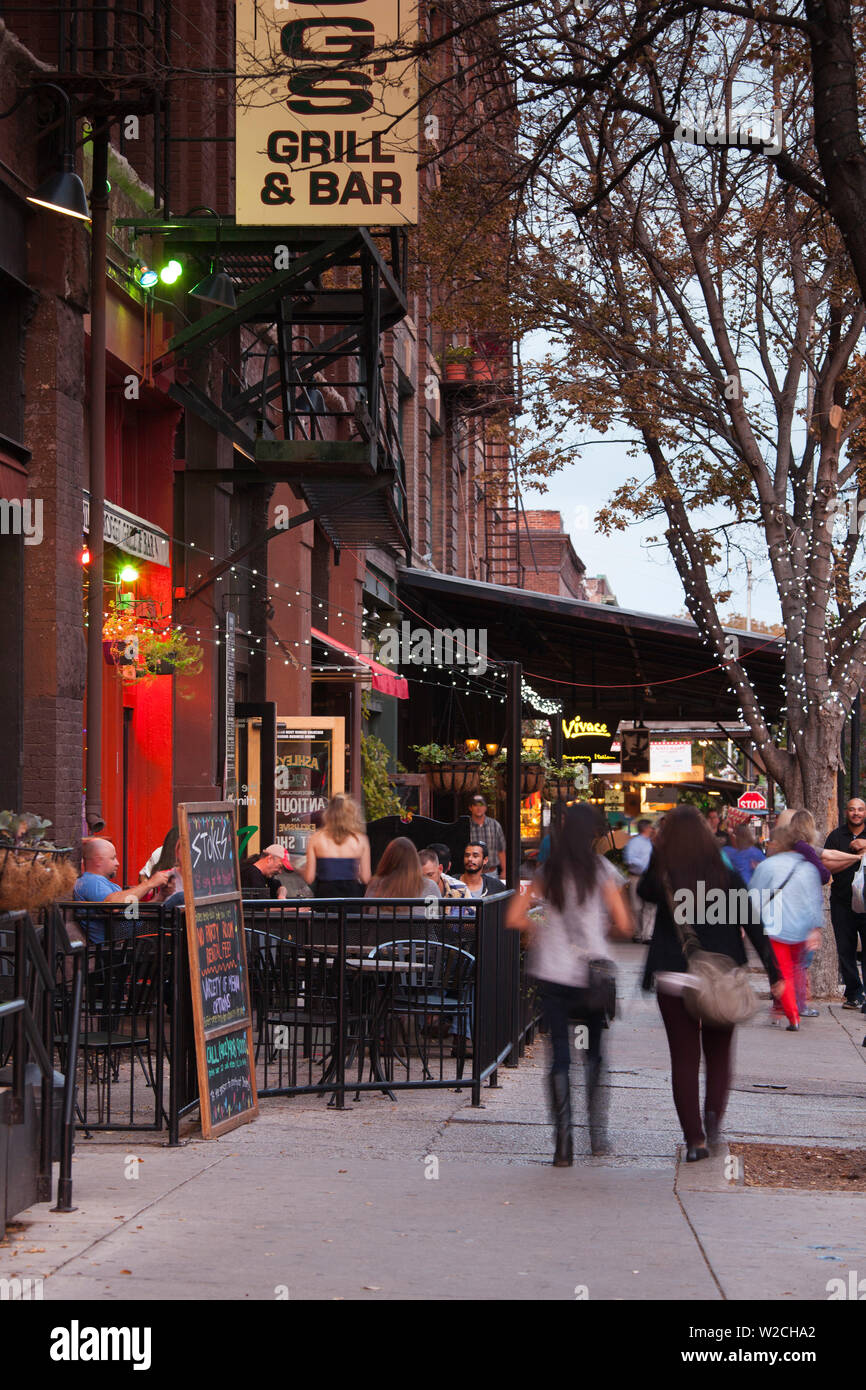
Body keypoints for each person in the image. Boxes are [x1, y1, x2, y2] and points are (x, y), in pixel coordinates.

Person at [638, 805, 782, 1161]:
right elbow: (752, 921)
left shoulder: (664, 873)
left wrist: (660, 851)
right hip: (721, 976)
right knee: (719, 1056)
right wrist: (776, 974)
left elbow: (643, 891)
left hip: (674, 975)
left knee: (684, 1060)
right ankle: (713, 1123)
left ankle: (695, 1141)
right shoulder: (725, 872)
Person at [506, 803, 632, 1163]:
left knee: (559, 1053)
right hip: (591, 977)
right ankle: (598, 1136)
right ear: (592, 834)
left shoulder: (548, 871)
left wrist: (543, 930)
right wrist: (598, 929)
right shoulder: (603, 871)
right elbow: (625, 924)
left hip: (552, 973)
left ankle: (563, 1143)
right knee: (594, 1055)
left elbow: (515, 917)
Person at [748, 823, 823, 1030]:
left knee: (784, 973)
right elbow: (814, 899)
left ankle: (793, 1016)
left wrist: (746, 924)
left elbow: (753, 897)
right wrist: (815, 928)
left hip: (775, 928)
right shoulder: (807, 867)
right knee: (797, 970)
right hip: (801, 928)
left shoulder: (767, 866)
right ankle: (791, 1007)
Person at [73, 838, 173, 944]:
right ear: (98, 861)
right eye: (113, 858)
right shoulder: (91, 882)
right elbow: (113, 906)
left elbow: (134, 913)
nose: (118, 863)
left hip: (134, 939)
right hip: (120, 948)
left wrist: (161, 895)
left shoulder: (108, 885)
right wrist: (149, 884)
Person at [823, 798, 866, 1008]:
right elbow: (828, 866)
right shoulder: (836, 836)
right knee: (845, 949)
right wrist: (854, 857)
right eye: (852, 809)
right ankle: (854, 994)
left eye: (860, 809)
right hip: (842, 901)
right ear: (846, 812)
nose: (856, 813)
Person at [302, 793, 371, 899]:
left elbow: (309, 878)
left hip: (325, 896)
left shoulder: (316, 838)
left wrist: (297, 868)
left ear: (328, 813)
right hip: (351, 896)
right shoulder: (360, 840)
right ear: (351, 813)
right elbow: (366, 878)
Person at [365, 837, 440, 901]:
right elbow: (435, 915)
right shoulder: (430, 886)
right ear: (415, 860)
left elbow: (366, 912)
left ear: (387, 859)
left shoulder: (376, 884)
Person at [623, 818, 655, 943]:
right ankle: (638, 933)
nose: (652, 830)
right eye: (650, 827)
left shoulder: (650, 843)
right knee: (636, 906)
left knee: (649, 906)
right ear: (646, 828)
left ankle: (647, 935)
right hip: (637, 876)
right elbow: (629, 859)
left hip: (649, 877)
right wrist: (644, 866)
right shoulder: (634, 843)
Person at [466, 794, 506, 880]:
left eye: (481, 805)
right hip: (471, 873)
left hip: (491, 873)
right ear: (470, 808)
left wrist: (504, 870)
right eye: (475, 805)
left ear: (485, 807)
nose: (478, 808)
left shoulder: (495, 825)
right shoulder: (466, 826)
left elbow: (501, 850)